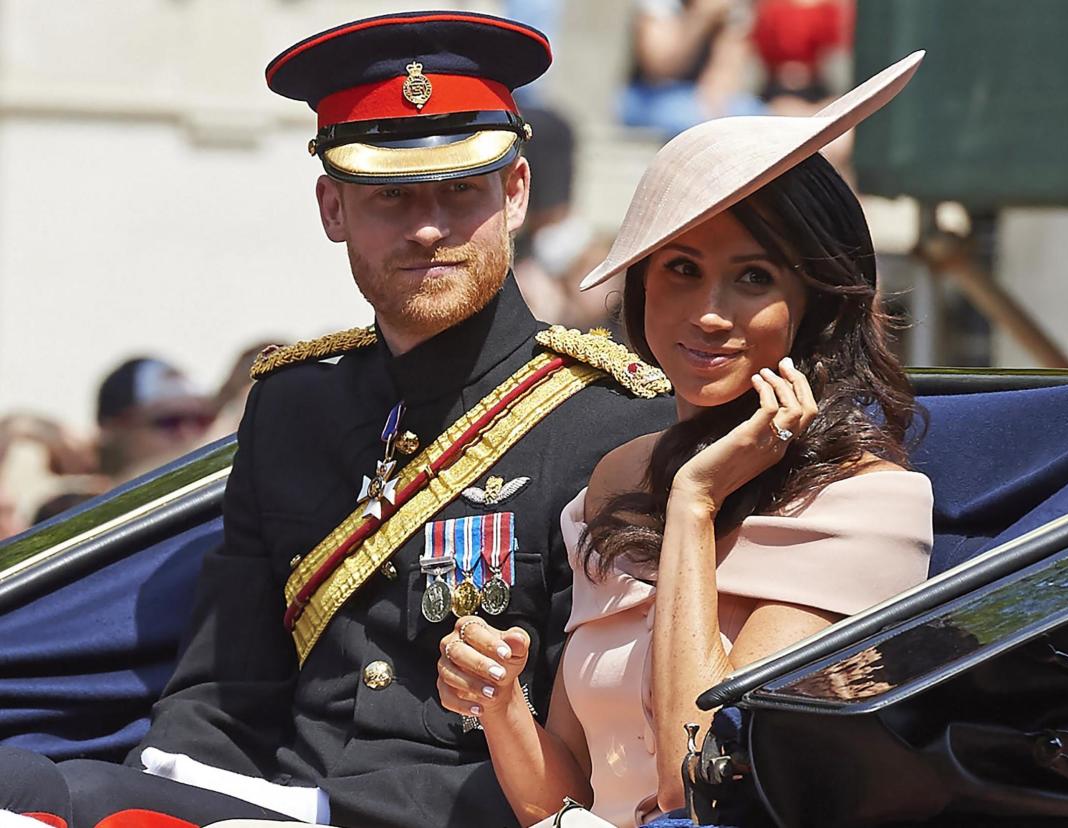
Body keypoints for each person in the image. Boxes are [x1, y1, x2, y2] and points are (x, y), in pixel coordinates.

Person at [0, 11, 671, 828]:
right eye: (391, 197)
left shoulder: (615, 423)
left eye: (461, 191)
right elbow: (222, 690)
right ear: (333, 208)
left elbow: (604, 750)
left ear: (516, 192)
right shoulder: (293, 405)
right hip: (272, 804)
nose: (428, 227)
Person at [436, 53, 930, 827]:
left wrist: (695, 504)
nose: (708, 311)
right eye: (681, 269)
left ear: (814, 301)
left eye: (755, 278)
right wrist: (499, 705)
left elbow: (693, 784)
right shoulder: (620, 478)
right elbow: (570, 797)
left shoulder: (869, 504)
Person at [620, 0, 766, 138]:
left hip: (697, 98)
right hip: (650, 96)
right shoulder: (659, 6)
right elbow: (661, 67)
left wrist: (715, 107)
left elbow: (725, 74)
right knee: (692, 120)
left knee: (755, 119)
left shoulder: (732, 7)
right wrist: (701, 17)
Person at [96, 357, 217, 485]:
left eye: (202, 421)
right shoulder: (81, 502)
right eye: (169, 423)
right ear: (114, 429)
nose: (190, 435)